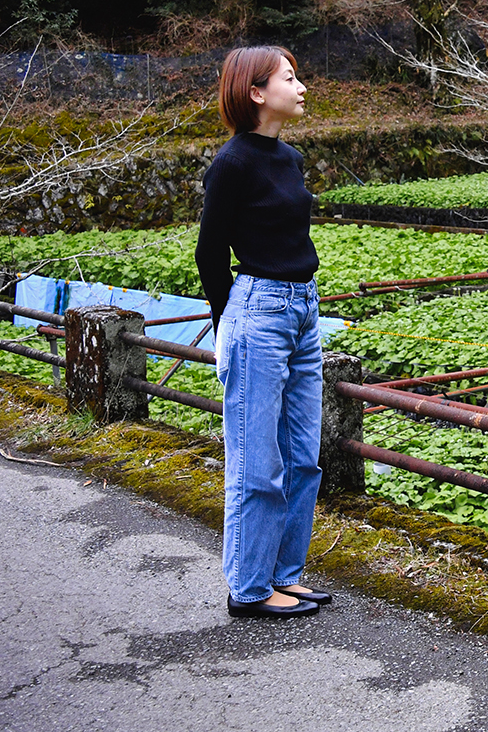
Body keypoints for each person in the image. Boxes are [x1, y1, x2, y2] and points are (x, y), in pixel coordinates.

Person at [196, 45, 330, 619]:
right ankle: (249, 588)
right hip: (259, 309)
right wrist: (232, 318)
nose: (301, 87)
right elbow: (210, 253)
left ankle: (284, 574)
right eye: (290, 78)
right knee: (258, 461)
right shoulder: (230, 165)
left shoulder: (289, 158)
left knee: (303, 456)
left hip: (304, 308)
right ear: (256, 92)